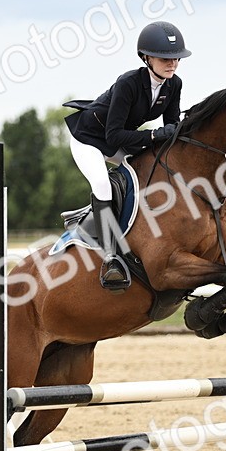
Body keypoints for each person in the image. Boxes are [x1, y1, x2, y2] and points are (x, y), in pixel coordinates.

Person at [63, 20, 190, 291]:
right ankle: (109, 256)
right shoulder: (128, 83)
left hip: (119, 137)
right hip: (89, 139)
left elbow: (171, 126)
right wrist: (154, 136)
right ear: (146, 58)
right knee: (102, 184)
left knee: (152, 172)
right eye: (165, 58)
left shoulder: (173, 85)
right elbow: (114, 137)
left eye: (176, 58)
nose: (172, 63)